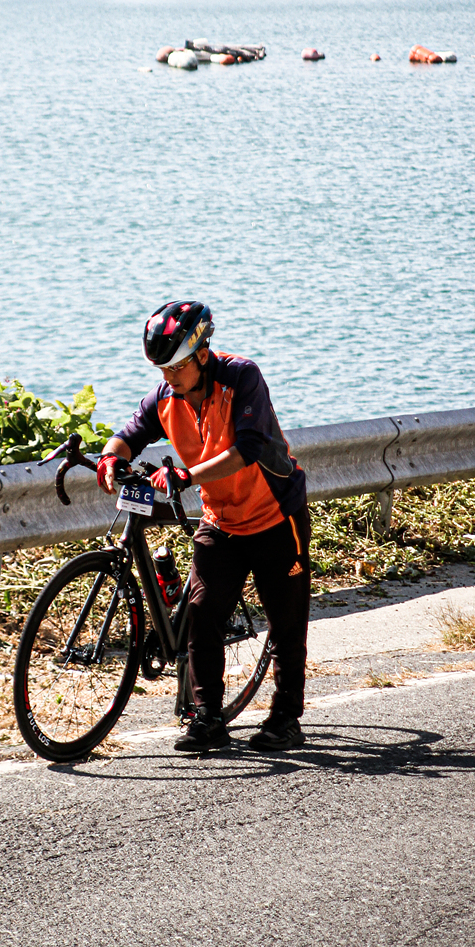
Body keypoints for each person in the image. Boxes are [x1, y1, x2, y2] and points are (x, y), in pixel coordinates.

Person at [97, 300, 311, 754]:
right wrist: (111, 456)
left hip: (275, 515)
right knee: (202, 614)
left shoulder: (241, 377)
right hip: (222, 519)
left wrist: (186, 475)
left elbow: (248, 448)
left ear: (201, 354)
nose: (168, 377)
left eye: (176, 367)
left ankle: (286, 718)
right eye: (161, 369)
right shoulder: (165, 397)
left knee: (286, 621)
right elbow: (130, 433)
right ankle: (208, 717)